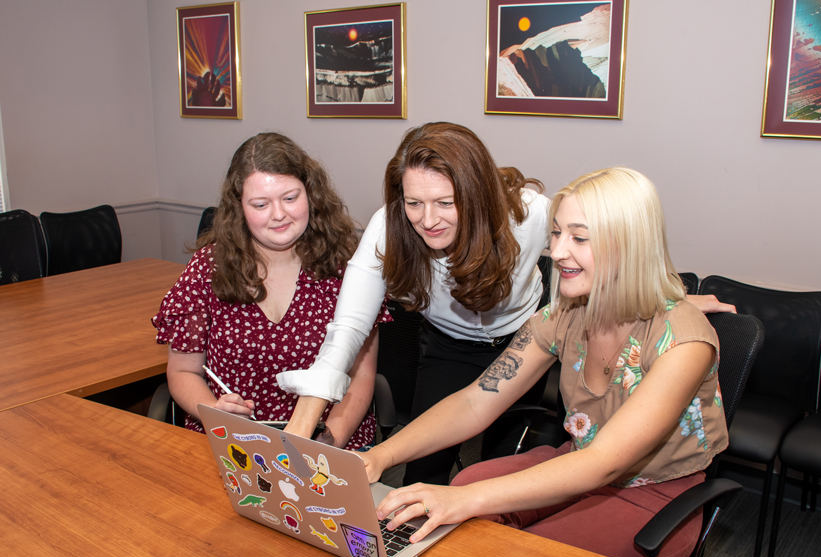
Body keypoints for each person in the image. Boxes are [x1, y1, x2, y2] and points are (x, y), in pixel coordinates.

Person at [277, 122, 734, 483]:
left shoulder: (529, 213)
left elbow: (608, 246)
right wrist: (300, 433)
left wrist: (661, 298)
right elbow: (347, 330)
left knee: (501, 462)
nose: (427, 220)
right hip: (451, 345)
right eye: (414, 203)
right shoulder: (392, 224)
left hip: (521, 339)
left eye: (445, 202)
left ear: (476, 195)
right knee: (426, 468)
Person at [362, 167, 729, 557]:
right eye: (555, 234)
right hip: (575, 462)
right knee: (462, 496)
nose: (556, 251)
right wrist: (380, 456)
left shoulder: (684, 341)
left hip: (655, 494)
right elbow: (474, 402)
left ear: (629, 245)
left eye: (579, 238)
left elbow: (604, 463)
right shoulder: (564, 314)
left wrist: (465, 502)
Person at [152, 132, 389, 450]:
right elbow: (183, 370)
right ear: (239, 207)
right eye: (261, 204)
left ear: (311, 194)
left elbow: (361, 375)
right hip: (232, 442)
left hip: (329, 441)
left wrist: (331, 439)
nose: (279, 214)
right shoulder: (210, 268)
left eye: (290, 198)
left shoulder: (347, 268)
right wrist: (210, 410)